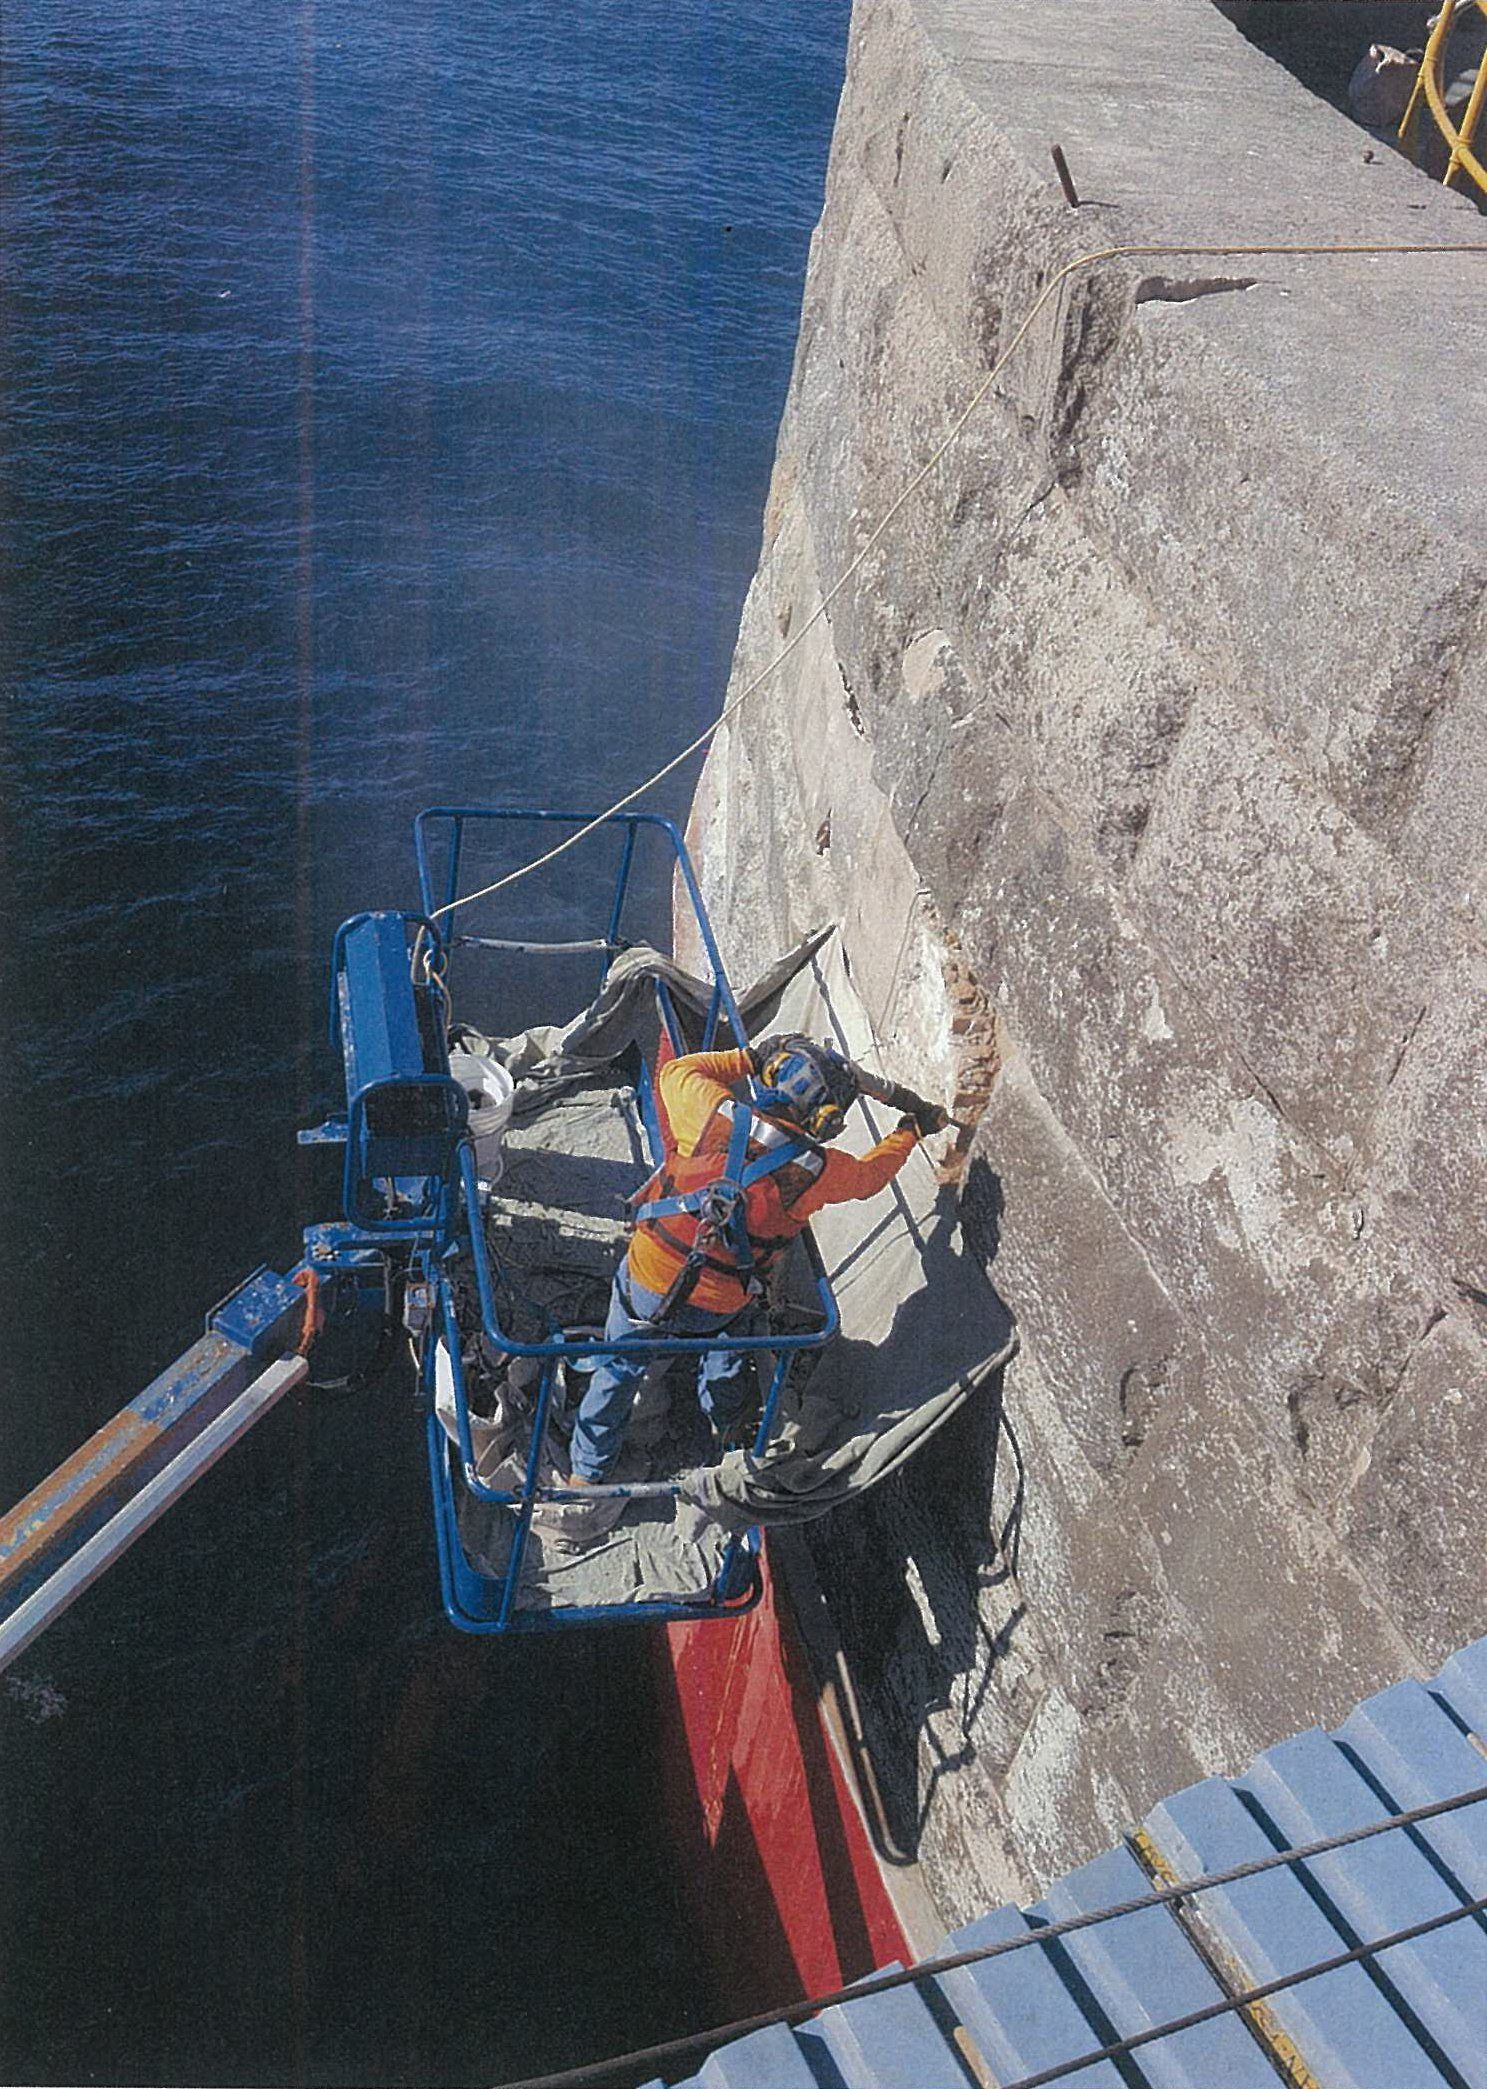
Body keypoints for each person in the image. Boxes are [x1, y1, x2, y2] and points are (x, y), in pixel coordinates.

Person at [561, 1033, 947, 1485]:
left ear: (773, 1077)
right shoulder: (817, 1171)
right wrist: (910, 1129)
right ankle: (728, 1430)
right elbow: (869, 1177)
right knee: (733, 1335)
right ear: (825, 1118)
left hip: (648, 1283)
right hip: (716, 1309)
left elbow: (677, 1070)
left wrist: (747, 1056)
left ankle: (586, 1475)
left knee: (619, 1369)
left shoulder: (709, 1112)